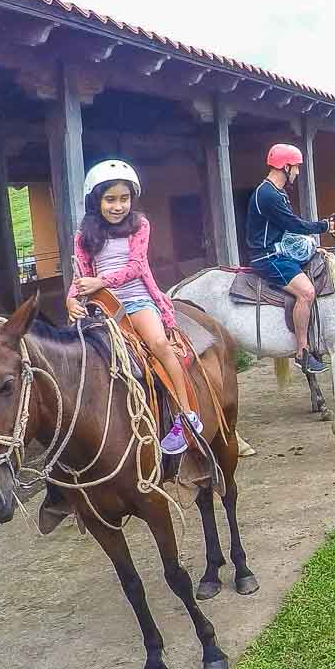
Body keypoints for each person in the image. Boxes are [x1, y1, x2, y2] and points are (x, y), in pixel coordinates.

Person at [66, 160, 208, 482]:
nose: (118, 206)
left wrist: (100, 282)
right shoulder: (84, 234)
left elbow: (136, 267)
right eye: (111, 199)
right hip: (102, 305)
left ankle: (187, 416)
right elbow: (83, 275)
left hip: (137, 298)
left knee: (158, 344)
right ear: (96, 201)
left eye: (124, 198)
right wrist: (72, 298)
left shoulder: (139, 225)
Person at [245, 143, 333, 375]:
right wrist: (322, 226)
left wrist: (312, 249)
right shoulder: (268, 195)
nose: (297, 172)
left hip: (277, 250)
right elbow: (293, 224)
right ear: (285, 166)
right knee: (306, 292)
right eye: (295, 168)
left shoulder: (276, 192)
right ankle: (302, 352)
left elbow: (288, 230)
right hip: (267, 256)